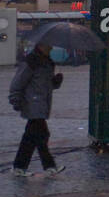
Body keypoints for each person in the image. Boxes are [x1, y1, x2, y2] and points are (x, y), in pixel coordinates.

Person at [8, 38, 66, 176]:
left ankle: (20, 167)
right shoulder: (31, 62)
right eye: (49, 45)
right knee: (41, 135)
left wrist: (56, 82)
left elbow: (46, 86)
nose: (51, 48)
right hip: (32, 104)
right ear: (41, 45)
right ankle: (49, 166)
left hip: (41, 104)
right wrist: (15, 100)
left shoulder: (47, 62)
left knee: (32, 137)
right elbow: (18, 82)